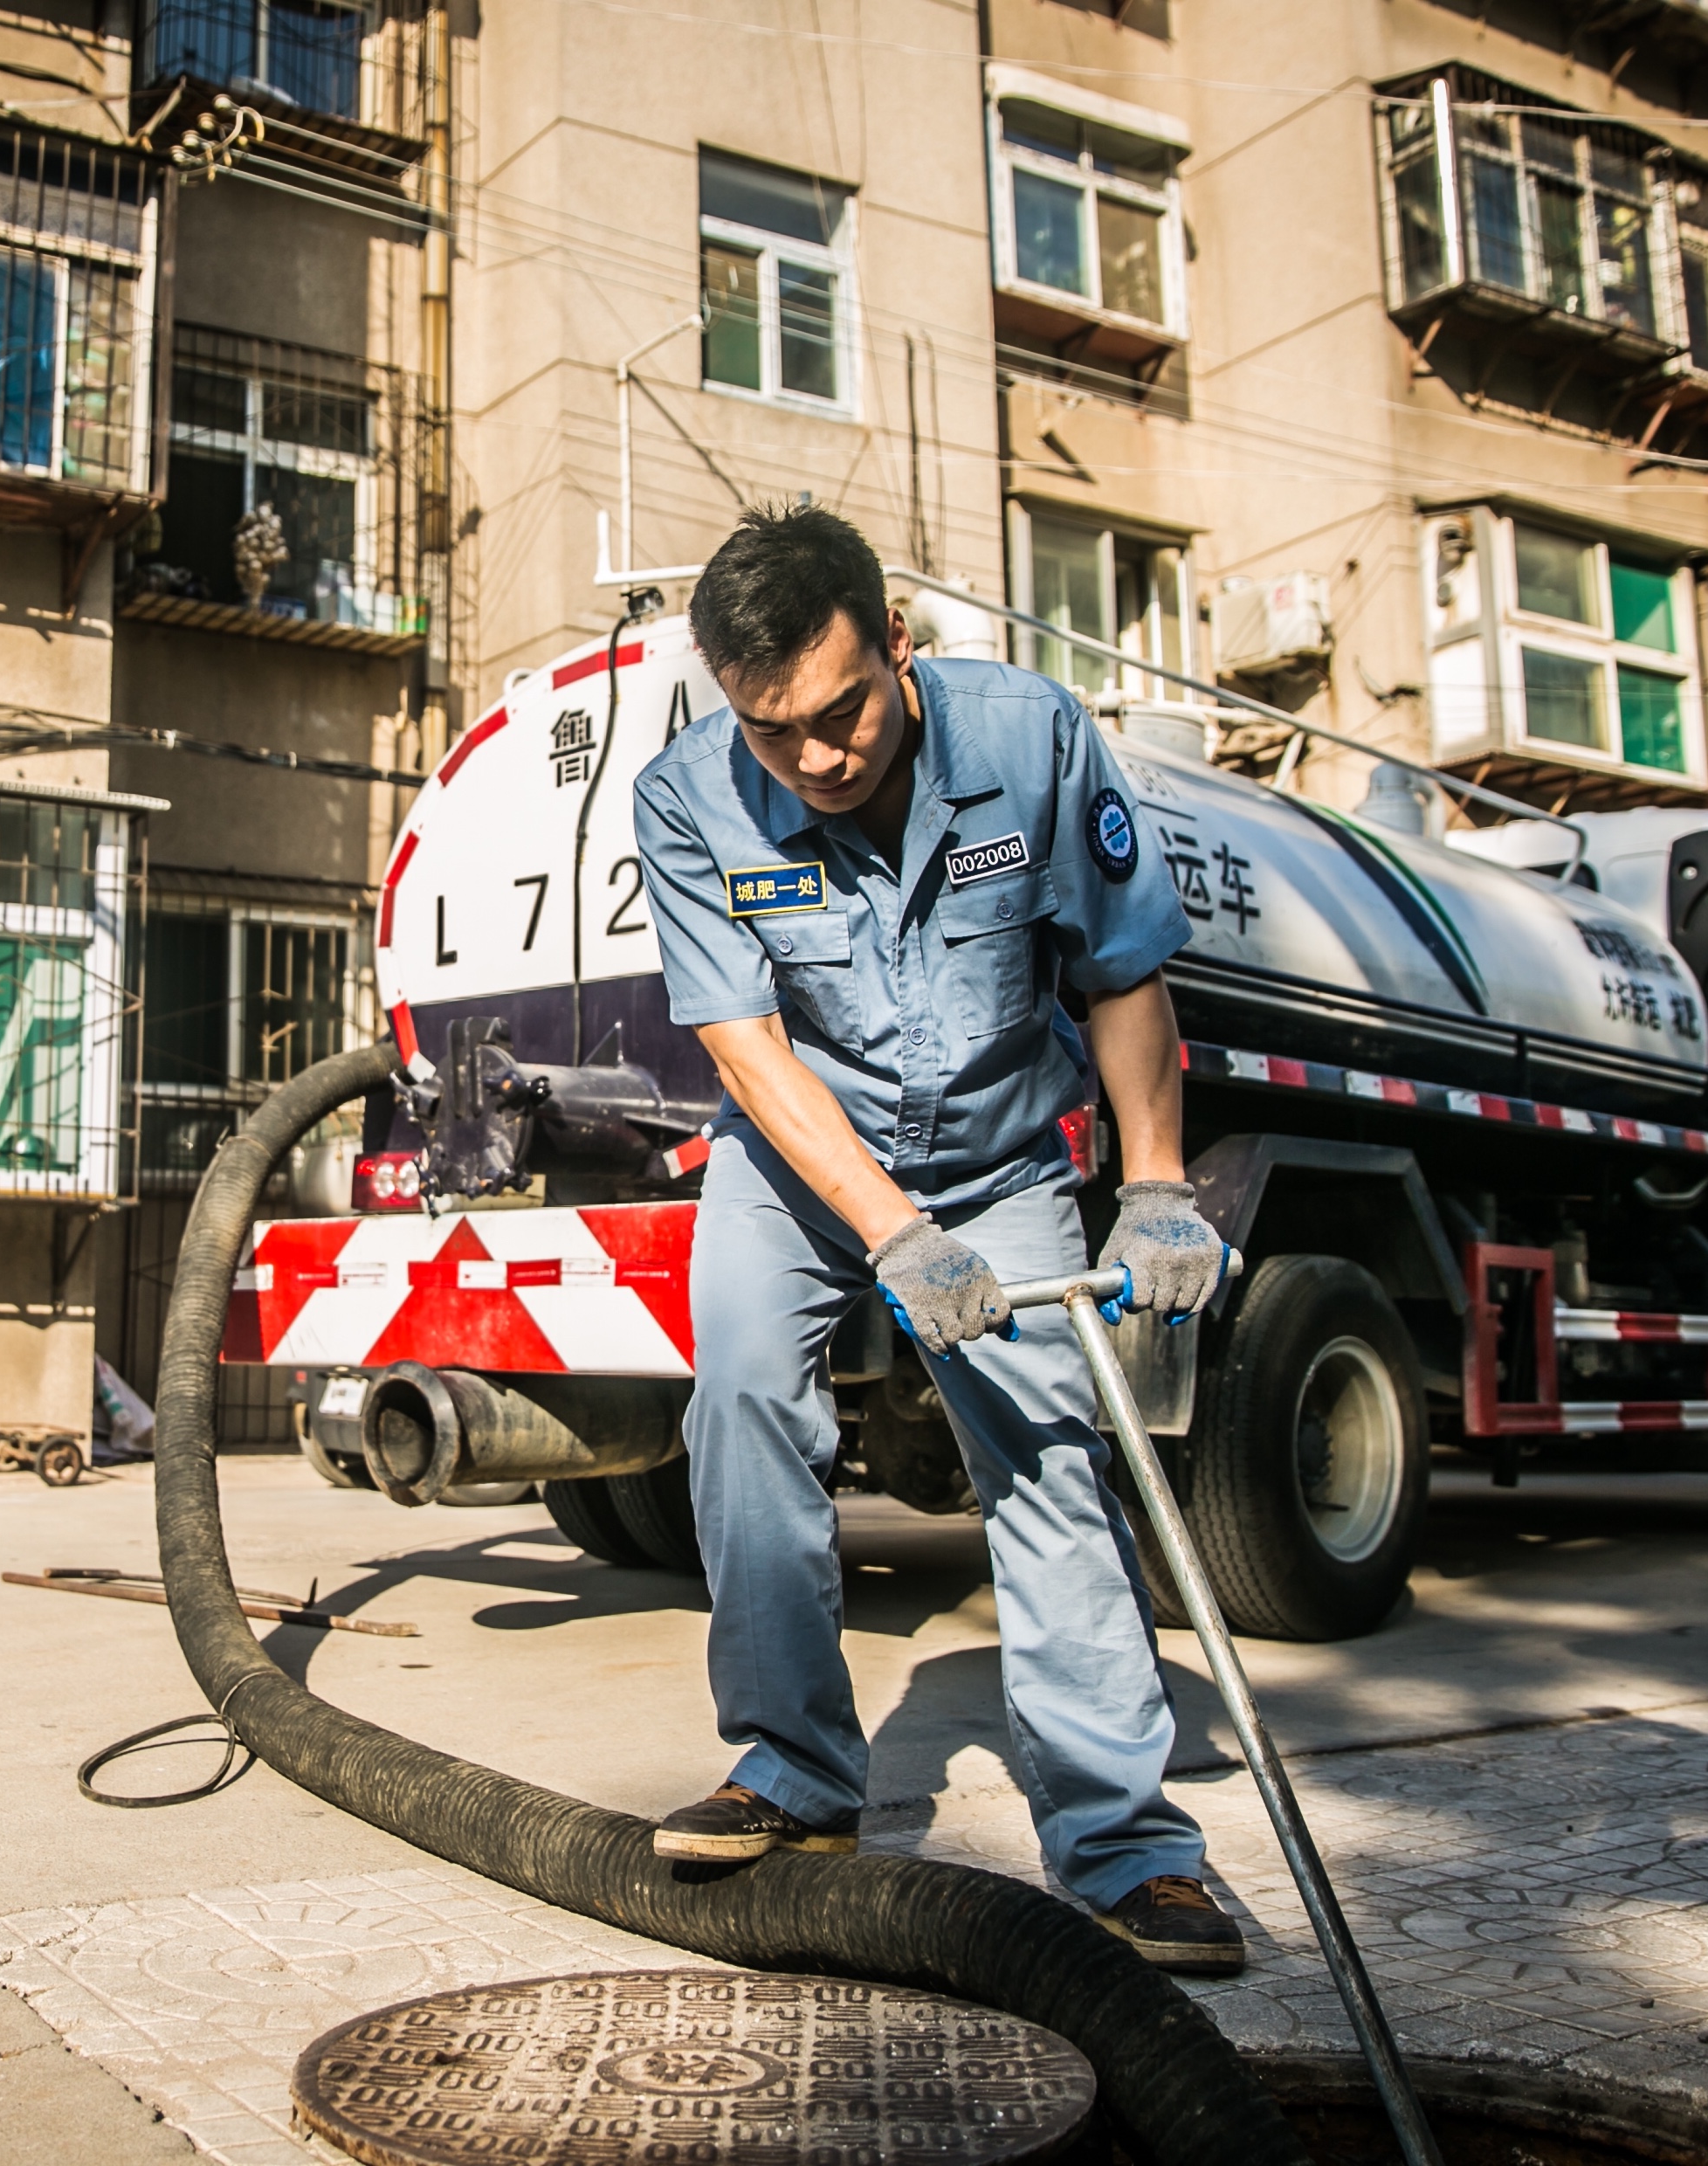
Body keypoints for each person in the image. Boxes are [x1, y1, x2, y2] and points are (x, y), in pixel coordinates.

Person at [630, 503, 1242, 1973]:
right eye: (772, 734)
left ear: (897, 644)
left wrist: (1153, 1184)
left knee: (1042, 1452)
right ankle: (793, 1775)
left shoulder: (1029, 738)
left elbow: (1119, 974)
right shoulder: (684, 796)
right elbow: (746, 1045)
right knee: (743, 1404)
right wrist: (892, 1237)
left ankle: (1124, 1848)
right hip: (797, 1164)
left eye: (840, 713)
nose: (816, 759)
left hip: (998, 1156)